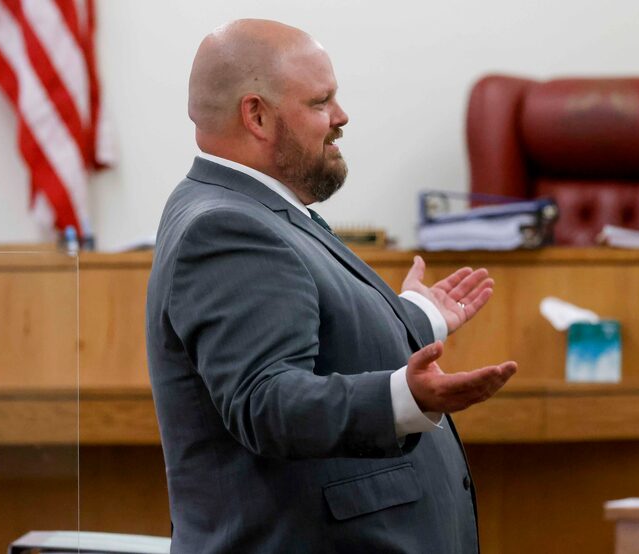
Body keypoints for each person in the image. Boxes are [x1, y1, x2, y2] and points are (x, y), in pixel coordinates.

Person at [146, 19, 517, 553]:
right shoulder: (226, 227)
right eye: (322, 102)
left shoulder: (254, 208)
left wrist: (414, 317)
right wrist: (402, 398)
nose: (341, 117)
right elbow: (266, 400)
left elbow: (307, 333)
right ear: (257, 115)